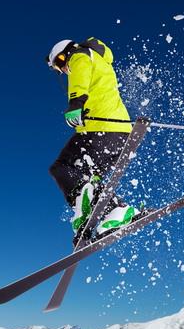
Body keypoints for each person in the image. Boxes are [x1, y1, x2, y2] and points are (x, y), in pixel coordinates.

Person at [45, 38, 140, 243]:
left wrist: (76, 103)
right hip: (119, 135)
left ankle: (91, 208)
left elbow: (80, 77)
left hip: (102, 130)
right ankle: (117, 211)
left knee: (62, 167)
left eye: (60, 63)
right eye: (59, 68)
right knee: (88, 178)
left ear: (65, 53)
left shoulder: (79, 55)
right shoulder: (99, 61)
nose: (64, 69)